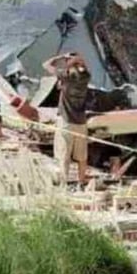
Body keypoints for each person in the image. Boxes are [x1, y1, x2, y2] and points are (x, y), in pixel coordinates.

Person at [43, 52, 91, 186]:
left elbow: (46, 65)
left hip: (66, 121)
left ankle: (64, 183)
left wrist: (62, 57)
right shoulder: (85, 77)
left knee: (64, 155)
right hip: (81, 122)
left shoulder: (66, 76)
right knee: (82, 156)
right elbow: (84, 68)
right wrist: (78, 60)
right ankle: (81, 182)